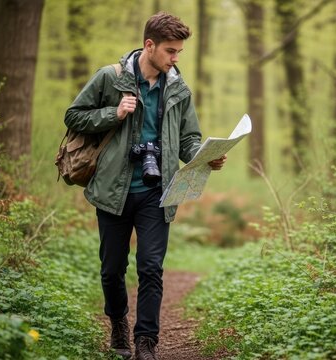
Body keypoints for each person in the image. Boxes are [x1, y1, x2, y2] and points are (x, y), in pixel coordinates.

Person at [64, 12, 226, 360]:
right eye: (170, 51)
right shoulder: (111, 77)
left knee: (151, 267)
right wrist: (114, 114)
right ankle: (118, 321)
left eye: (179, 51)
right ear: (149, 45)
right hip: (113, 190)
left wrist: (204, 155)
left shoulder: (179, 88)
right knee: (111, 270)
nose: (175, 58)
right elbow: (74, 116)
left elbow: (189, 138)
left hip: (158, 191)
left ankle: (145, 341)